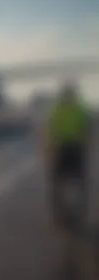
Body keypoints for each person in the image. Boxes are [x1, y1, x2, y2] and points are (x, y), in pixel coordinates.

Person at [44, 80, 93, 226]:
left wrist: (49, 147)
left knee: (59, 182)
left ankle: (60, 213)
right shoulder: (80, 109)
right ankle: (76, 212)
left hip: (63, 148)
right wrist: (88, 143)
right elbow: (88, 128)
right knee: (78, 182)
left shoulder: (57, 110)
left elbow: (50, 130)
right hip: (75, 148)